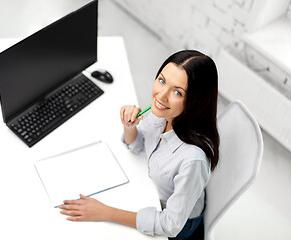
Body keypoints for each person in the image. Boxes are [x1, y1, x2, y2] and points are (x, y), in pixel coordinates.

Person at [59, 50, 220, 239]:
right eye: (162, 80)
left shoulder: (193, 160)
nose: (161, 96)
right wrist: (130, 127)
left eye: (177, 92)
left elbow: (170, 225)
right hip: (151, 189)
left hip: (178, 222)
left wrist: (105, 212)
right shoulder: (162, 113)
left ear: (196, 100)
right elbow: (138, 145)